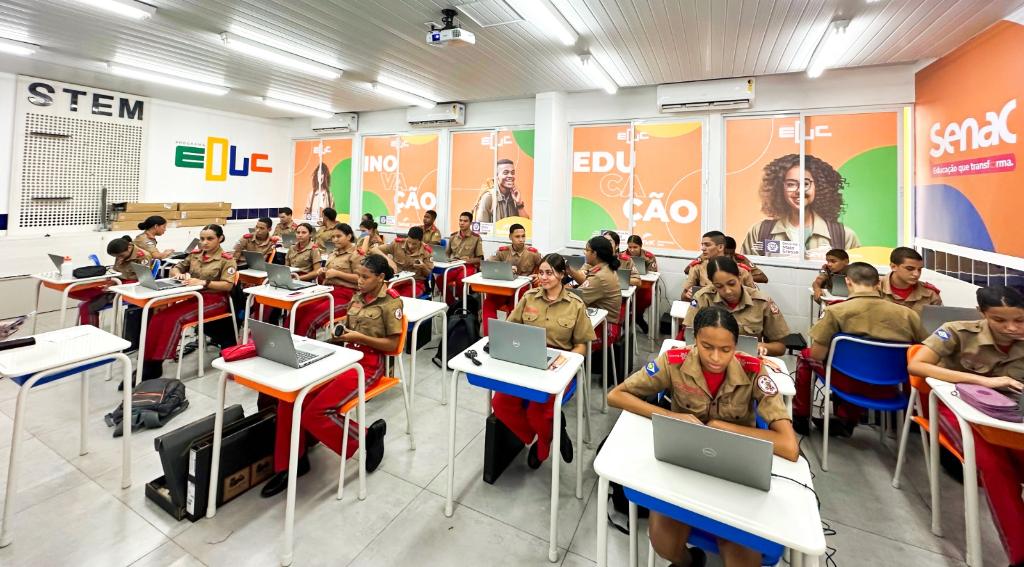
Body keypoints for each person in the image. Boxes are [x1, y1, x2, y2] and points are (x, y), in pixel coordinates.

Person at [608, 305, 797, 567]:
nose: (716, 358)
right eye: (707, 347)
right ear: (694, 339)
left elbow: (789, 446)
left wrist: (723, 427)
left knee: (742, 559)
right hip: (686, 463)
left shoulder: (753, 370)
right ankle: (690, 561)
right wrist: (669, 416)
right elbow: (616, 395)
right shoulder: (674, 361)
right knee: (663, 542)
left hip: (735, 471)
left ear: (735, 346)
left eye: (726, 349)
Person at [260, 254, 395, 498]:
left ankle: (367, 438)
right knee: (291, 397)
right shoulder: (357, 297)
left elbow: (392, 345)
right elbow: (348, 331)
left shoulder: (391, 303)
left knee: (315, 413)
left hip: (368, 364)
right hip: (343, 356)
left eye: (365, 277)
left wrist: (359, 338)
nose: (359, 281)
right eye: (358, 276)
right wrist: (331, 339)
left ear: (381, 277)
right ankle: (291, 463)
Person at [908, 285, 1024, 567]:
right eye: (999, 320)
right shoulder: (958, 331)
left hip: (1012, 418)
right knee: (993, 463)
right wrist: (983, 381)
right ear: (981, 313)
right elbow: (917, 365)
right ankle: (1020, 553)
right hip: (958, 410)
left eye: (1020, 320)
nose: (1011, 327)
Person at [793, 262, 927, 436]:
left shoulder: (836, 311)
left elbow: (818, 355)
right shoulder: (908, 314)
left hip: (847, 383)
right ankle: (846, 418)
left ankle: (801, 418)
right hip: (890, 387)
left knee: (806, 356)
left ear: (848, 282)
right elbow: (923, 351)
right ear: (878, 284)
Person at [491, 253, 595, 467]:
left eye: (550, 273)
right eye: (541, 272)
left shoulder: (575, 305)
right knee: (500, 404)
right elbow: (510, 329)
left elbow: (581, 345)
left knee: (537, 412)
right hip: (527, 360)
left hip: (558, 367)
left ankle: (543, 445)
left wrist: (564, 363)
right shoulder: (529, 297)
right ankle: (544, 433)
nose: (544, 277)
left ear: (561, 274)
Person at [138, 224, 238, 380]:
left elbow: (228, 285)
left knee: (174, 318)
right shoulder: (195, 255)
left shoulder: (227, 260)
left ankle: (156, 363)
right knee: (158, 316)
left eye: (210, 239)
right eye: (202, 239)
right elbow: (176, 267)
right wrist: (178, 274)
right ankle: (148, 360)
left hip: (216, 300)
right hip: (194, 296)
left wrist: (203, 282)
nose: (204, 242)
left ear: (220, 239)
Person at [740, 153, 860, 259]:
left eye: (805, 184)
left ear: (819, 186)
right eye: (791, 184)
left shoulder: (844, 236)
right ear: (780, 188)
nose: (799, 191)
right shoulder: (759, 232)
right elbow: (746, 272)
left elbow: (856, 275)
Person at [683, 257, 790, 356]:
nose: (728, 291)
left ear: (739, 277)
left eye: (731, 283)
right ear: (713, 284)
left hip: (746, 361)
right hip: (710, 358)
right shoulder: (702, 298)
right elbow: (688, 335)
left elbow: (780, 347)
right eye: (719, 286)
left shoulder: (762, 302)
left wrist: (763, 347)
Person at [289, 223, 360, 337]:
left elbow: (361, 279)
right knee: (298, 309)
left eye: (339, 236)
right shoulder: (333, 253)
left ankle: (302, 345)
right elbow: (326, 277)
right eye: (333, 237)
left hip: (347, 295)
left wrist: (338, 273)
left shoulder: (357, 254)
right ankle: (287, 341)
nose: (335, 240)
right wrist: (322, 273)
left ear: (349, 236)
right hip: (328, 290)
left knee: (311, 318)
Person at [70, 236, 154, 327]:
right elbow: (117, 271)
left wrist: (115, 286)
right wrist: (111, 282)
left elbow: (143, 281)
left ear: (129, 247)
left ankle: (90, 333)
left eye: (121, 256)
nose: (119, 258)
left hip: (129, 289)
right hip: (116, 283)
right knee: (77, 290)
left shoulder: (143, 256)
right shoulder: (121, 253)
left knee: (87, 307)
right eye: (116, 257)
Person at [481, 223, 542, 334]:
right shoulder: (502, 251)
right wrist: (505, 268)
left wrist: (539, 275)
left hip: (523, 289)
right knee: (488, 302)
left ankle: (510, 335)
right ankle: (489, 336)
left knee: (516, 305)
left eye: (523, 236)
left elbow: (545, 267)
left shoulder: (533, 253)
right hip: (504, 288)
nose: (521, 240)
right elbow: (486, 266)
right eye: (517, 236)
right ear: (510, 237)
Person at [567, 236, 624, 352]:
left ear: (595, 253)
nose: (585, 252)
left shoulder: (600, 276)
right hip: (602, 321)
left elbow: (577, 300)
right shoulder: (604, 268)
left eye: (587, 250)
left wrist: (561, 290)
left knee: (563, 338)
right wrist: (570, 271)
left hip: (605, 328)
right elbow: (588, 283)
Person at [683, 231, 755, 301]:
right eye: (702, 245)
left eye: (707, 245)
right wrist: (687, 295)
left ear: (720, 247)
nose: (703, 248)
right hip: (706, 307)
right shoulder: (697, 268)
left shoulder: (741, 271)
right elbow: (683, 296)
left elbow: (754, 297)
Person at [370, 226, 433, 298]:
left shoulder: (426, 251)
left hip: (414, 282)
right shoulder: (397, 244)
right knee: (382, 294)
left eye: (414, 244)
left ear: (420, 241)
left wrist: (423, 267)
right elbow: (373, 250)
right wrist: (388, 260)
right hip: (396, 281)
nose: (410, 246)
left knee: (401, 298)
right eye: (409, 242)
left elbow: (428, 273)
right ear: (407, 237)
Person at [438, 211, 483, 305]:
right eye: (460, 220)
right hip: (454, 266)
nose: (462, 223)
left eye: (465, 221)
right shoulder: (453, 236)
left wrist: (468, 260)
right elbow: (447, 254)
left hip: (468, 266)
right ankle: (452, 304)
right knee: (440, 279)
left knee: (460, 281)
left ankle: (463, 303)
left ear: (470, 223)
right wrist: (441, 258)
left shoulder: (476, 238)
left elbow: (480, 259)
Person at [880, 247, 942, 313]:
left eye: (919, 269)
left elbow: (938, 318)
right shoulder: (875, 287)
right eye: (910, 268)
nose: (916, 274)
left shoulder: (930, 294)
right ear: (893, 267)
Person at [474, 158, 528, 223]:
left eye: (512, 173)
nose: (510, 176)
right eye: (505, 173)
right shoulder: (489, 197)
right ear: (496, 176)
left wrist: (519, 204)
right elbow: (481, 227)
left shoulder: (514, 196)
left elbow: (525, 223)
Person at [625, 235, 657, 334]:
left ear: (641, 246)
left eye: (635, 247)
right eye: (630, 247)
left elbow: (653, 273)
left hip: (643, 285)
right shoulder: (622, 255)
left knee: (647, 298)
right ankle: (635, 317)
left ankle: (636, 316)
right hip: (628, 283)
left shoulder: (649, 256)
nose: (632, 250)